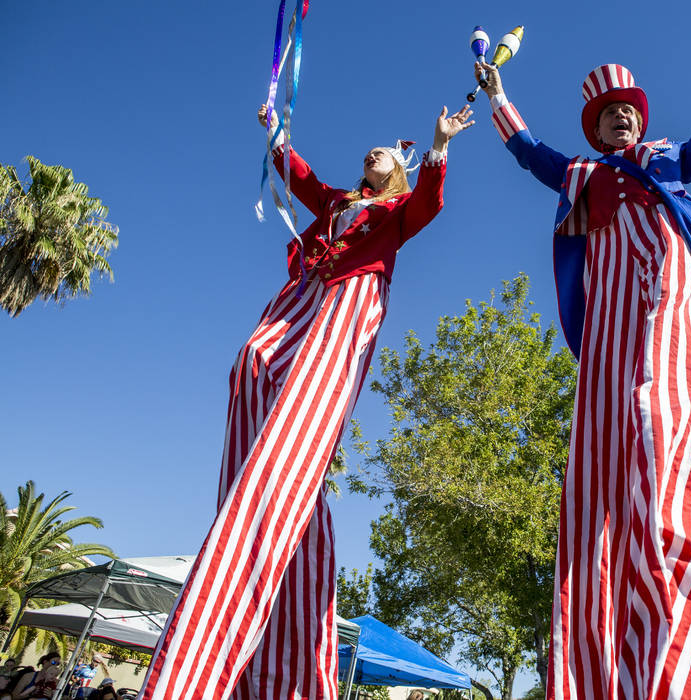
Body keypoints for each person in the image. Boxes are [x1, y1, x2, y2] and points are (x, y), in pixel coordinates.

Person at [475, 27, 691, 700]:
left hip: (670, 304)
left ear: (640, 119)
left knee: (658, 414)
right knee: (615, 432)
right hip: (611, 328)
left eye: (627, 109)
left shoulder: (667, 160)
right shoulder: (584, 177)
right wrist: (499, 96)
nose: (620, 117)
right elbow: (529, 153)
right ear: (597, 132)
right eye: (608, 114)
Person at [137, 101, 473, 700]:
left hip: (351, 299)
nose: (373, 153)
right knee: (250, 361)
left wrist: (439, 146)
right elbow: (301, 177)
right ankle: (280, 454)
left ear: (398, 168)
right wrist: (276, 131)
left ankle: (293, 441)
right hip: (305, 291)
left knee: (304, 405)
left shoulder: (395, 210)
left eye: (385, 152)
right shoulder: (340, 203)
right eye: (369, 150)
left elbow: (429, 204)